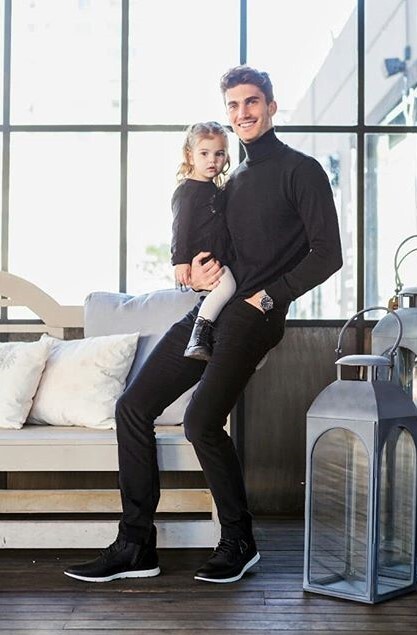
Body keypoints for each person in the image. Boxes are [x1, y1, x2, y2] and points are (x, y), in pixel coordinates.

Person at [64, 65, 342, 585]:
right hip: (213, 309)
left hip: (255, 315)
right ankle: (136, 545)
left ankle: (239, 539)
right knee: (133, 407)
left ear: (271, 106)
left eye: (252, 101)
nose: (243, 113)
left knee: (200, 422)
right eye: (234, 105)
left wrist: (269, 296)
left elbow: (328, 254)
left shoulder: (300, 171)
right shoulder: (229, 181)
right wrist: (197, 269)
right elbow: (215, 250)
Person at [171, 121, 236, 361]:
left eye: (219, 154)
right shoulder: (187, 191)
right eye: (204, 153)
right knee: (227, 287)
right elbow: (180, 227)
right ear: (190, 155)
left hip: (219, 253)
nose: (212, 160)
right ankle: (198, 337)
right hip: (204, 256)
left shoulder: (215, 190)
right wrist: (180, 261)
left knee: (231, 290)